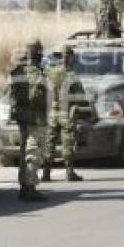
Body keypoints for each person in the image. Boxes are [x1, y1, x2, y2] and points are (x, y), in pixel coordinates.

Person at [8, 40, 49, 202]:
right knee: (33, 152)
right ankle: (30, 187)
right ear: (38, 53)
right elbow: (37, 97)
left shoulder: (18, 71)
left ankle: (24, 185)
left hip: (22, 117)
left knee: (25, 150)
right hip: (35, 118)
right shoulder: (37, 74)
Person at [44, 46, 87, 182]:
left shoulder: (51, 72)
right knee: (67, 143)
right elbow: (81, 98)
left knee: (49, 142)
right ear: (71, 57)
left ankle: (46, 173)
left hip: (52, 112)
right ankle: (69, 172)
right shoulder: (72, 75)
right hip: (66, 113)